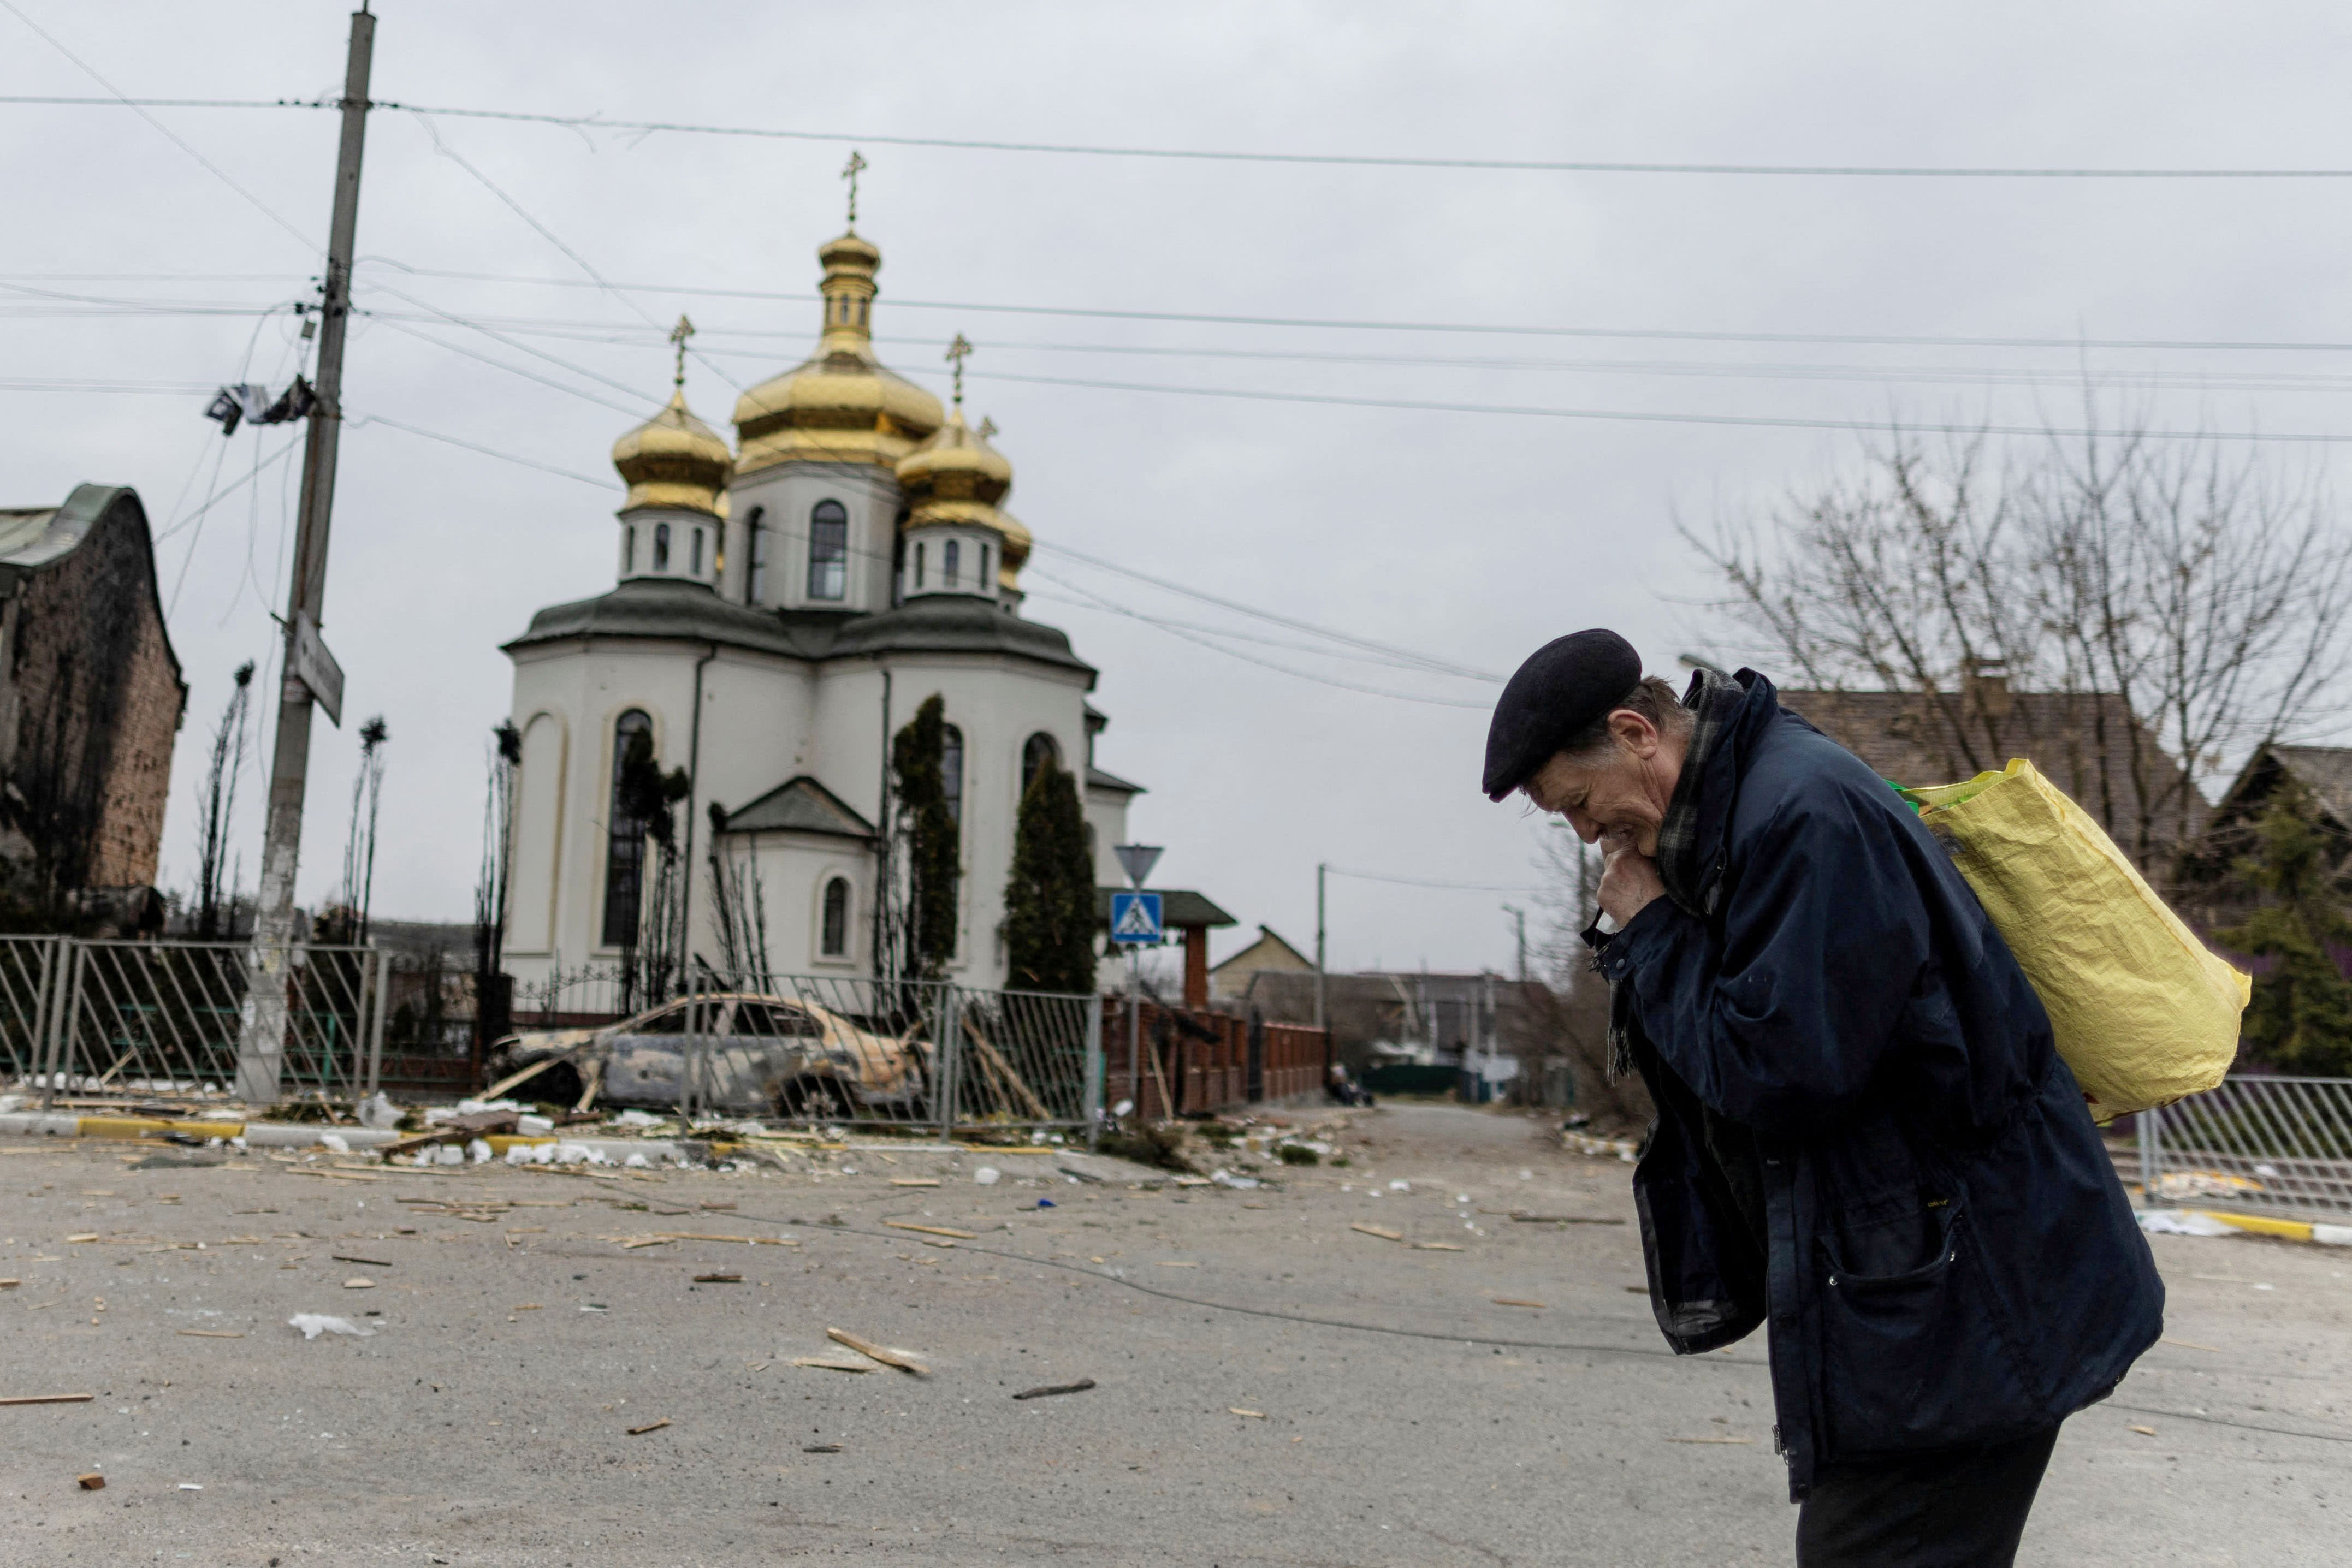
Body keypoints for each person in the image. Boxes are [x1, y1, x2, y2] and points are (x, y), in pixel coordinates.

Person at [1481, 629, 2163, 1567]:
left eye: (1580, 804)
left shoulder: (1802, 818)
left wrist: (1651, 934)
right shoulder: (1757, 805)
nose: (1589, 834)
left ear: (1638, 732)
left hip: (1967, 1299)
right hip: (1930, 1288)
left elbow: (1782, 1074)